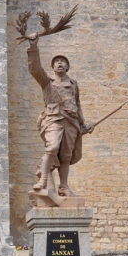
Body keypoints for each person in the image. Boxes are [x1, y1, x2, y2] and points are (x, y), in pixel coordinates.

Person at [27, 35, 93, 197]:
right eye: (57, 61)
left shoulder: (73, 84)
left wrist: (83, 125)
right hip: (53, 118)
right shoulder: (47, 82)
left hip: (71, 121)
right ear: (53, 67)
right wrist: (33, 47)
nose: (60, 63)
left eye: (63, 61)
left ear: (68, 67)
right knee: (52, 147)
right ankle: (43, 180)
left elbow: (77, 106)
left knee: (66, 155)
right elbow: (35, 69)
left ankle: (63, 186)